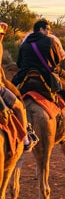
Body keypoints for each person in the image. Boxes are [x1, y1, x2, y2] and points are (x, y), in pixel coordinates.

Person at [12, 19, 65, 122]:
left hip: (25, 74)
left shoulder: (25, 43)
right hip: (45, 74)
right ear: (41, 29)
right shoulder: (50, 41)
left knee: (10, 89)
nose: (49, 32)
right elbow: (56, 60)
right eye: (47, 29)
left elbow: (19, 64)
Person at [0, 22, 38, 152]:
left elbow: (19, 62)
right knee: (19, 106)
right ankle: (26, 140)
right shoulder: (52, 40)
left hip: (23, 73)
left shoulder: (25, 44)